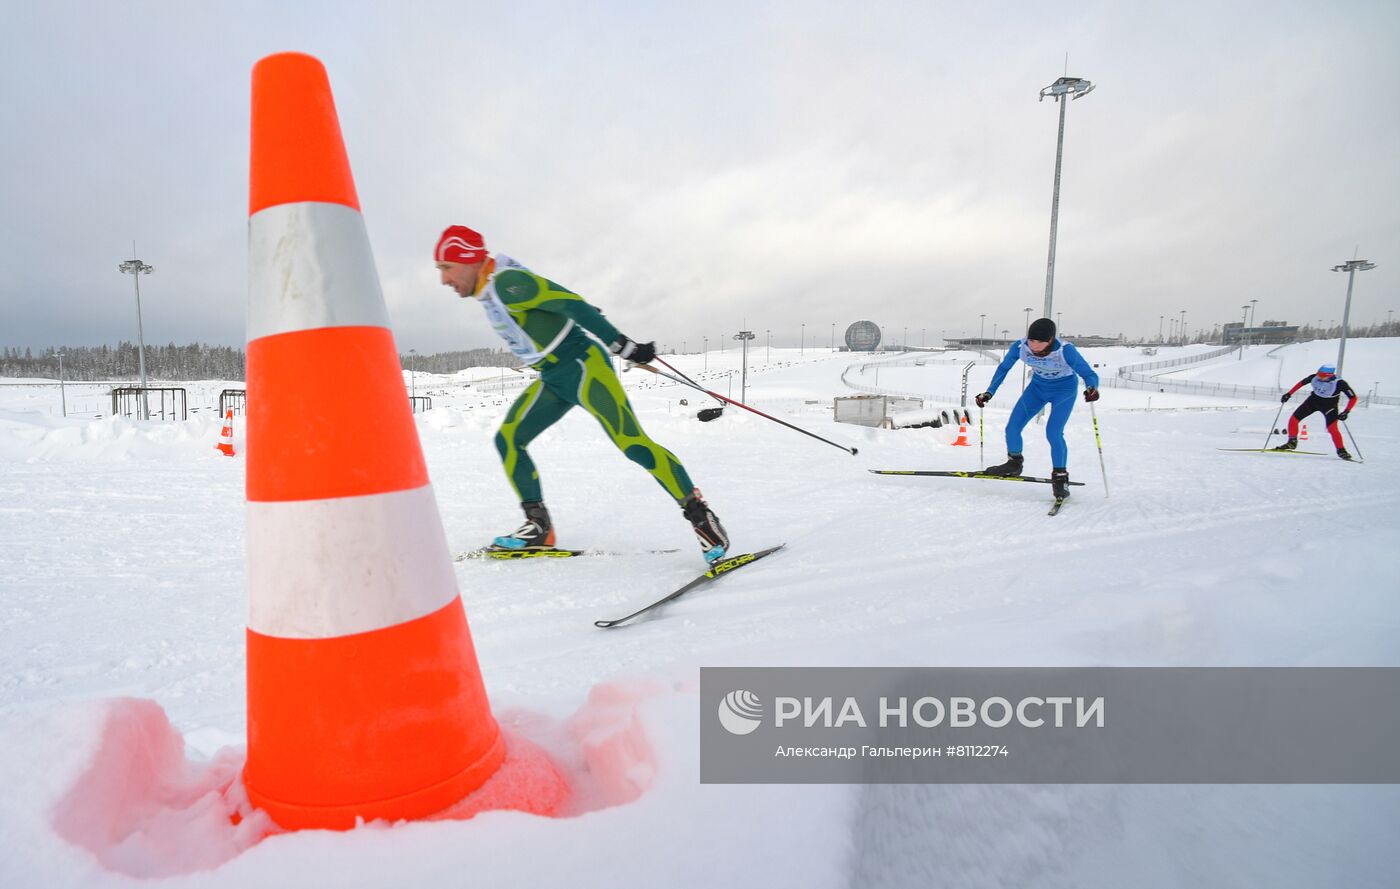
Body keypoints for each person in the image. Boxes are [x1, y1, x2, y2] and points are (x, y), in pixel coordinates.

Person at [433, 225, 729, 562]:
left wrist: (621, 345)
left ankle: (703, 520)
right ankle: (538, 527)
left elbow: (574, 304)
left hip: (584, 367)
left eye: (447, 268)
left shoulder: (508, 284)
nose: (444, 280)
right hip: (553, 376)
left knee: (632, 444)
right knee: (509, 439)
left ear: (469, 260)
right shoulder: (491, 290)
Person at [973, 318, 1100, 500]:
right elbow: (1004, 368)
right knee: (1012, 428)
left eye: (1039, 342)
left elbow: (1089, 374)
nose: (1034, 345)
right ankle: (1014, 463)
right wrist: (989, 392)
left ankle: (1060, 476)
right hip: (1037, 389)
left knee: (1053, 432)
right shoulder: (1020, 347)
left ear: (1050, 340)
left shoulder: (1065, 350)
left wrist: (1092, 388)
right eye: (1031, 340)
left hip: (1063, 391)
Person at [1274, 364, 1356, 460]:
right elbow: (1301, 383)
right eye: (1318, 373)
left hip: (1329, 406)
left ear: (1329, 375)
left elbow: (1353, 398)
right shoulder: (1314, 377)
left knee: (1332, 429)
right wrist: (1289, 394)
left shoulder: (1340, 383)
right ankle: (1292, 442)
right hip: (1312, 402)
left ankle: (1341, 451)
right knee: (1293, 419)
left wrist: (1346, 411)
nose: (1319, 376)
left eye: (1321, 375)